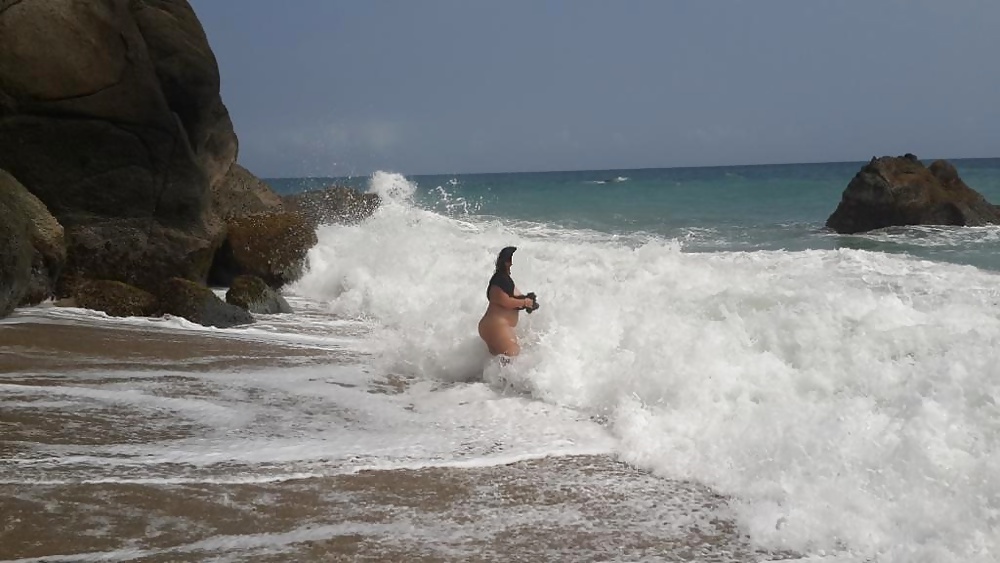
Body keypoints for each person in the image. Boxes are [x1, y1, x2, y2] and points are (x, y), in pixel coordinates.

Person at [478, 246, 537, 357]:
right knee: (512, 352)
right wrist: (524, 302)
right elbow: (505, 301)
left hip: (496, 326)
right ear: (507, 262)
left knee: (500, 360)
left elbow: (512, 299)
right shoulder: (499, 279)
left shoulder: (506, 280)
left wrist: (528, 301)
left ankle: (486, 375)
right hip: (496, 326)